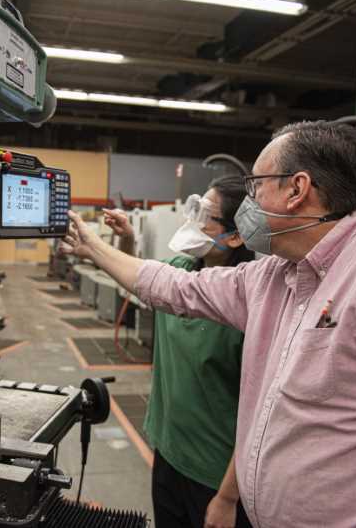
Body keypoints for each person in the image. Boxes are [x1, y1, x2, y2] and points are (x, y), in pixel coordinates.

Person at [60, 121, 356, 528]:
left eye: (256, 186)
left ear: (297, 189)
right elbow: (176, 287)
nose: (249, 202)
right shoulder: (276, 275)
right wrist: (93, 246)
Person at [103, 176, 254, 528]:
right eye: (195, 210)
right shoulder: (182, 273)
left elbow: (258, 415)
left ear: (235, 236)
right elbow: (141, 282)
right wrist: (125, 238)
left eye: (206, 216)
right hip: (169, 452)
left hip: (215, 474)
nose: (193, 223)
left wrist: (228, 497)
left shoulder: (248, 304)